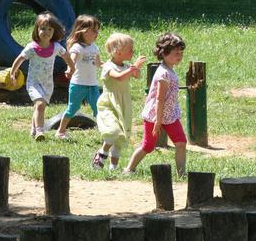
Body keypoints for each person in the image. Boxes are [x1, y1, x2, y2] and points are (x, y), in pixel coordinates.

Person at [125, 33, 188, 176]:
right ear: (164, 53)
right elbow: (160, 99)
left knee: (181, 142)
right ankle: (129, 168)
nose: (179, 55)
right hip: (155, 116)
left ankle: (182, 173)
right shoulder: (163, 74)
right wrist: (158, 121)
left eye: (181, 52)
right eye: (176, 52)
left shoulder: (170, 70)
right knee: (148, 146)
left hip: (170, 115)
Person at [9, 12, 76, 141]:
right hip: (33, 83)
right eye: (43, 28)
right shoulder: (32, 48)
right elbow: (20, 59)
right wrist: (13, 73)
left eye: (50, 29)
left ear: (54, 31)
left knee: (39, 107)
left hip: (47, 84)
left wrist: (72, 68)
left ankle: (34, 128)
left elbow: (66, 56)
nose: (46, 32)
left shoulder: (55, 47)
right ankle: (40, 131)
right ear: (37, 30)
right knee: (40, 105)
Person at [92, 33, 147, 170]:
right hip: (109, 104)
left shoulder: (127, 66)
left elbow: (137, 76)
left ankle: (113, 167)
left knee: (121, 137)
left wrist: (135, 69)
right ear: (118, 51)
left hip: (123, 104)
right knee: (113, 131)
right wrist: (133, 68)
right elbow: (119, 77)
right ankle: (102, 153)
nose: (133, 51)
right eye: (130, 49)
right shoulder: (108, 66)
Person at [56, 15, 102, 140]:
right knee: (72, 109)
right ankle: (60, 131)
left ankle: (104, 132)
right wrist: (69, 69)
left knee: (98, 108)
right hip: (78, 84)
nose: (97, 33)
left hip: (92, 85)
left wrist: (112, 66)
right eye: (94, 31)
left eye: (97, 30)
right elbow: (72, 60)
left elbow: (99, 63)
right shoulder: (77, 47)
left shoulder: (95, 47)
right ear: (83, 31)